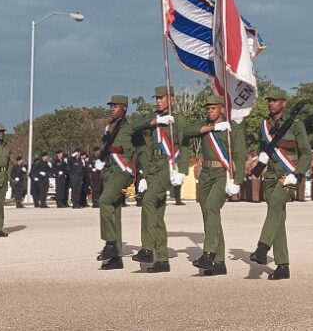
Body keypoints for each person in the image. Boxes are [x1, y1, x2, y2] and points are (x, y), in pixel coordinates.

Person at [249, 91, 311, 280]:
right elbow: (264, 147)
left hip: (288, 174)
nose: (271, 104)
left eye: (275, 101)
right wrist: (262, 157)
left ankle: (262, 247)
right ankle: (283, 265)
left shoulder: (296, 124)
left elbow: (306, 153)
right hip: (270, 174)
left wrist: (297, 173)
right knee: (277, 217)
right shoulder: (264, 126)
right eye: (269, 101)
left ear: (284, 103)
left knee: (276, 202)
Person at [182, 94, 246, 276]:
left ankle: (208, 254)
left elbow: (240, 154)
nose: (210, 111)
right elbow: (186, 132)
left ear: (222, 109)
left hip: (222, 174)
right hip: (206, 174)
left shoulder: (233, 128)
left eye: (213, 108)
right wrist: (213, 127)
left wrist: (238, 180)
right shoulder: (205, 126)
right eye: (208, 108)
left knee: (212, 207)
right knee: (209, 215)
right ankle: (219, 262)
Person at [129, 85, 190, 273]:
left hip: (167, 165)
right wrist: (156, 120)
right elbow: (133, 127)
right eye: (156, 98)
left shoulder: (178, 119)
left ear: (171, 99)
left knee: (147, 202)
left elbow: (185, 145)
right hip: (153, 165)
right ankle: (162, 260)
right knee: (156, 214)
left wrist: (182, 170)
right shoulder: (154, 119)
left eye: (162, 98)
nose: (158, 101)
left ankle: (148, 248)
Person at [96, 95, 139, 270]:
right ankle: (115, 257)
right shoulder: (109, 127)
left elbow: (132, 149)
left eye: (116, 106)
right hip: (110, 171)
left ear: (125, 108)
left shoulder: (129, 128)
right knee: (113, 211)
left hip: (123, 171)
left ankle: (111, 244)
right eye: (111, 106)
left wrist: (117, 149)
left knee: (104, 201)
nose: (112, 109)